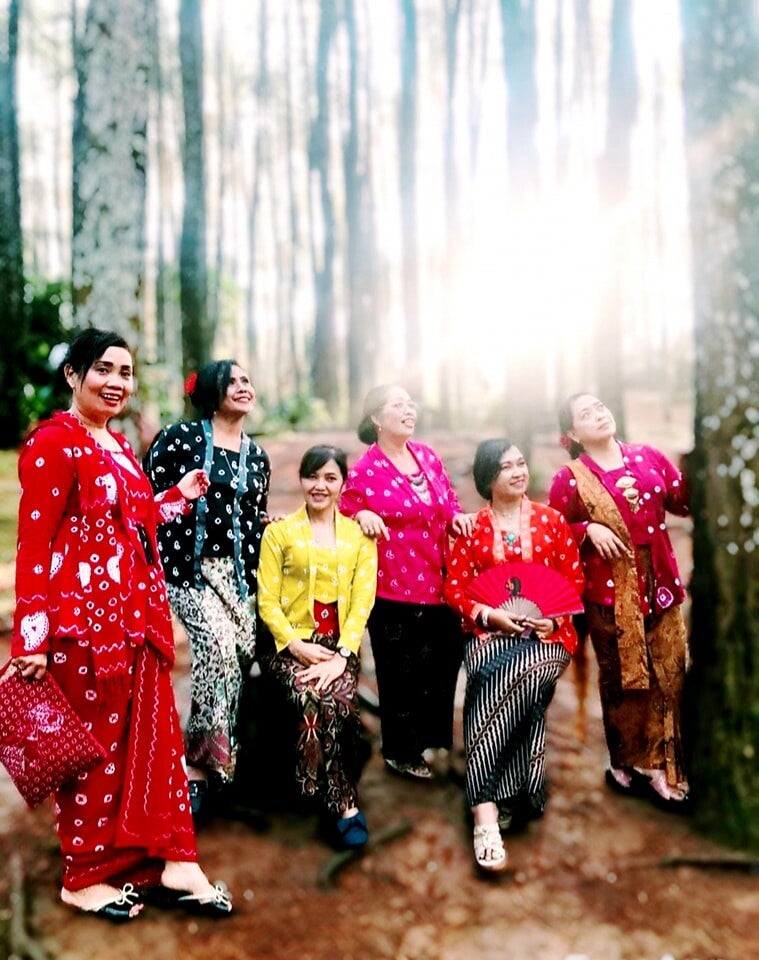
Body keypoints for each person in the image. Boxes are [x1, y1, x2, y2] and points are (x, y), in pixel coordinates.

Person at [11, 328, 232, 920]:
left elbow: (132, 518)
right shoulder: (54, 442)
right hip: (80, 626)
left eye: (126, 373)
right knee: (94, 749)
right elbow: (34, 543)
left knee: (147, 743)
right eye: (104, 370)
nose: (116, 383)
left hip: (135, 622)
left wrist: (176, 496)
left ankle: (162, 857)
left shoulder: (118, 446)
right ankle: (83, 876)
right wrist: (31, 638)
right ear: (73, 375)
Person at [444, 439, 584, 871]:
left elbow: (572, 580)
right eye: (507, 466)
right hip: (488, 634)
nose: (518, 472)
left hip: (547, 638)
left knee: (519, 676)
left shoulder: (552, 521)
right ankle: (494, 808)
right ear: (488, 477)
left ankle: (491, 796)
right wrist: (490, 616)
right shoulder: (471, 528)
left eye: (521, 463)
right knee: (488, 674)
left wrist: (552, 619)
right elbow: (455, 588)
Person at [549, 393, 690, 807]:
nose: (599, 414)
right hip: (608, 594)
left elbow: (682, 503)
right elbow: (554, 531)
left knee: (670, 671)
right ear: (573, 433)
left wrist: (698, 470)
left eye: (600, 407)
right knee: (624, 679)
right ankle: (626, 760)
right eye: (586, 414)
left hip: (660, 582)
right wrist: (586, 530)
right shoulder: (570, 479)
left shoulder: (649, 457)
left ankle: (665, 766)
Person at [144, 360, 270, 818]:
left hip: (238, 576)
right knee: (216, 648)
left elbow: (255, 516)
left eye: (246, 380)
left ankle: (220, 754)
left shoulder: (258, 455)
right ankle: (198, 768)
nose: (242, 387)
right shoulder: (179, 439)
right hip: (186, 571)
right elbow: (144, 499)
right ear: (212, 391)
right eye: (231, 381)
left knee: (241, 653)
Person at [339, 385, 473, 781]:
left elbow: (448, 501)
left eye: (411, 404)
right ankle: (400, 750)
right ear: (376, 418)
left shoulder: (427, 455)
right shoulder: (364, 470)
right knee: (400, 670)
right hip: (392, 586)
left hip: (439, 578)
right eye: (398, 405)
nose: (409, 410)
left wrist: (457, 518)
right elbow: (344, 513)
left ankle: (431, 738)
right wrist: (361, 515)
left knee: (445, 660)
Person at [256, 445, 377, 848]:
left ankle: (338, 800)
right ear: (301, 479)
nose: (320, 485)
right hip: (288, 645)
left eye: (330, 477)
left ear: (343, 483)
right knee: (308, 696)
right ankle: (328, 796)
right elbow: (267, 600)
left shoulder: (359, 537)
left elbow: (362, 602)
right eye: (312, 476)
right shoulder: (279, 533)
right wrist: (294, 644)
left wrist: (341, 656)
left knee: (337, 701)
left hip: (338, 648)